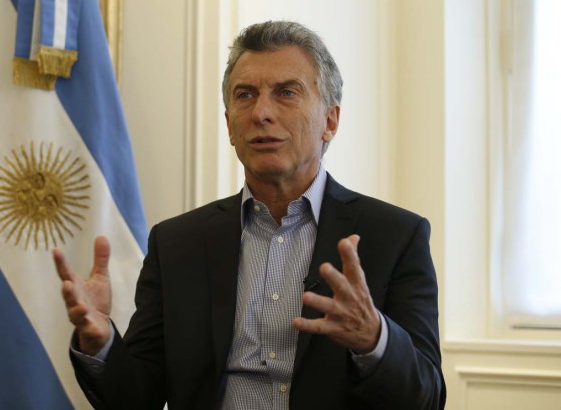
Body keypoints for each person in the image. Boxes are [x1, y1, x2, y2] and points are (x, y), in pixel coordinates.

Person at [54, 20, 446, 409]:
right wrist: (101, 341)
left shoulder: (394, 236)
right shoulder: (177, 243)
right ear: (229, 125)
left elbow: (426, 398)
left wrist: (375, 339)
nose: (261, 113)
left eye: (286, 93)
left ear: (330, 121)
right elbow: (137, 397)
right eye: (245, 95)